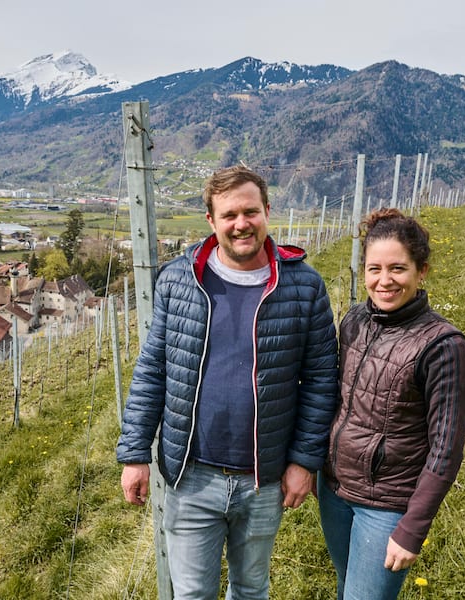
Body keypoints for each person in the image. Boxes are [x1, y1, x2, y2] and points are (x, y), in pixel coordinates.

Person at [116, 165, 339, 599]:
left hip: (264, 477)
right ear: (211, 221)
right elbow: (153, 369)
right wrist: (134, 453)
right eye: (229, 215)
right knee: (192, 594)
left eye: (251, 212)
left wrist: (303, 462)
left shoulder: (304, 287)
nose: (241, 224)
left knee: (251, 589)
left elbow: (319, 382)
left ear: (268, 212)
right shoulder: (179, 281)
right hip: (191, 474)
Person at [318, 208, 465, 599]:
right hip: (335, 492)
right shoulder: (353, 321)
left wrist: (412, 528)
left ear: (421, 271)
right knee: (345, 585)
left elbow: (445, 449)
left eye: (397, 269)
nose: (384, 281)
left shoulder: (443, 346)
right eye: (374, 269)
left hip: (387, 506)